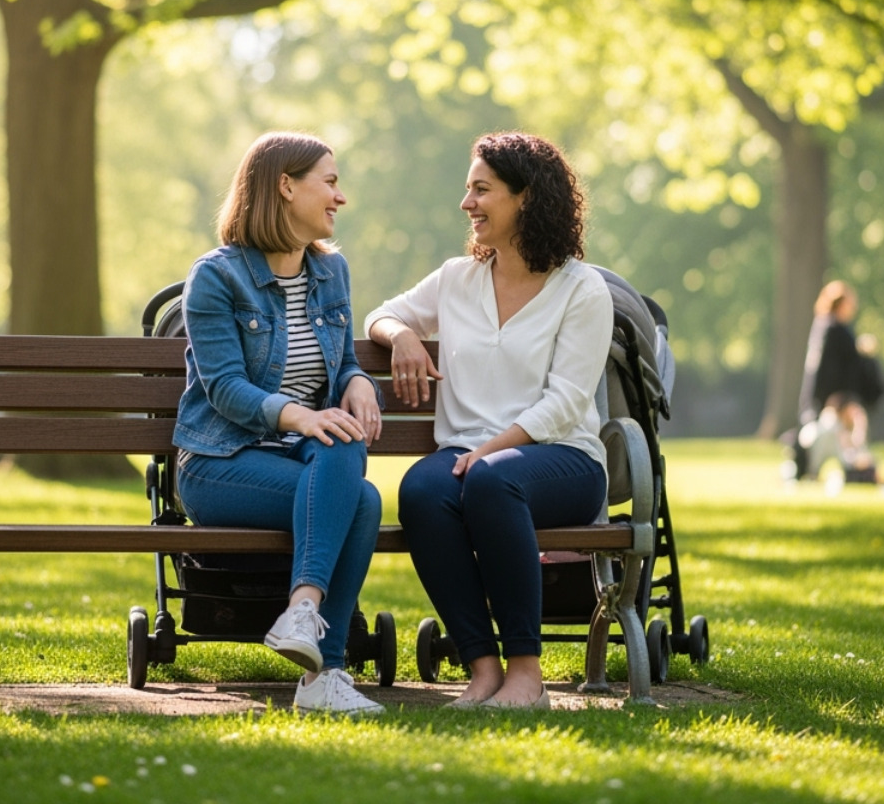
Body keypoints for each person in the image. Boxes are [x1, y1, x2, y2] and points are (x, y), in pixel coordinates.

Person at [365, 132, 612, 710]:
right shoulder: (457, 278)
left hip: (562, 459)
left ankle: (527, 676)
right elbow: (383, 313)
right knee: (422, 490)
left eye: (481, 190)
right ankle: (482, 670)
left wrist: (491, 450)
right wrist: (402, 335)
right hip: (469, 459)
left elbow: (566, 401)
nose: (466, 203)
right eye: (468, 189)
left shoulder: (582, 289)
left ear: (526, 197)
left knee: (493, 480)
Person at [171, 132, 386, 715]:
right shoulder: (217, 277)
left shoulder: (331, 271)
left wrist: (358, 382)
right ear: (286, 186)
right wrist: (302, 416)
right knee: (360, 498)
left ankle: (302, 615)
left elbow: (342, 360)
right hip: (220, 463)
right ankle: (324, 672)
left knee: (349, 457)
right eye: (330, 182)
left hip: (301, 456)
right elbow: (224, 387)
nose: (340, 197)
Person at [795, 280, 883, 478]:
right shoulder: (836, 330)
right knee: (848, 441)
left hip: (821, 403)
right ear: (841, 304)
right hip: (837, 404)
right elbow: (843, 367)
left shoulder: (821, 327)